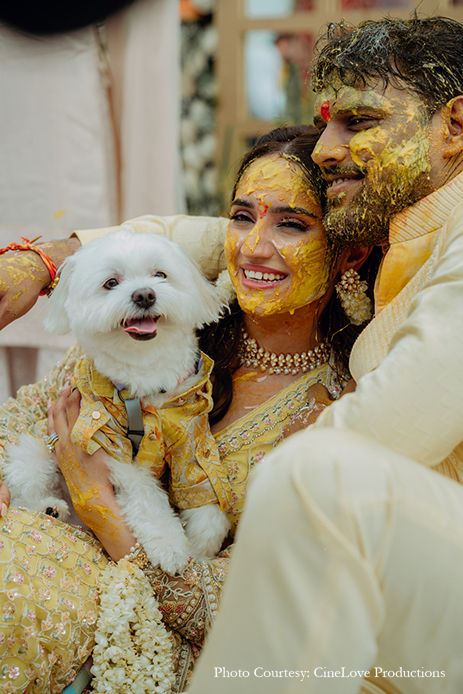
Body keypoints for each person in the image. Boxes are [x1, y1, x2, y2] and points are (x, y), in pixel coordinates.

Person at [0, 126, 373, 693]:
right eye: (242, 218)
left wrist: (95, 501)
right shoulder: (155, 328)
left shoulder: (344, 410)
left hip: (152, 645)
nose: (252, 246)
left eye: (291, 224)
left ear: (350, 251)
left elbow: (245, 612)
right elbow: (27, 420)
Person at [183, 15, 463, 694]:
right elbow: (217, 235)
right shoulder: (406, 232)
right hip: (420, 582)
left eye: (358, 122)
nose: (326, 151)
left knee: (322, 475)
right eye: (326, 124)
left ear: (454, 126)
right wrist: (56, 254)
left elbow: (396, 427)